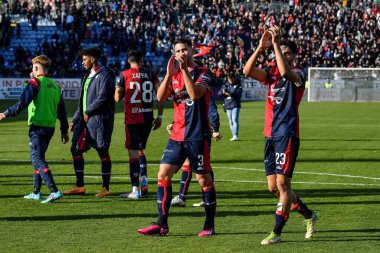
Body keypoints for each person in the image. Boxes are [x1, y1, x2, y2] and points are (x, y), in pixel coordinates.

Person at [243, 26, 319, 245]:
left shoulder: (299, 74)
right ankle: (308, 214)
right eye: (281, 52)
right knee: (274, 187)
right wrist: (260, 47)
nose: (283, 56)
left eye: (287, 53)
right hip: (269, 134)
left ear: (293, 56)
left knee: (283, 185)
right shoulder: (270, 75)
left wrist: (275, 44)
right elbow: (247, 71)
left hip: (287, 133)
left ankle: (276, 232)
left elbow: (287, 72)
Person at [137, 38, 217, 237]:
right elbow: (160, 97)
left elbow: (194, 94)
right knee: (163, 174)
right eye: (178, 51)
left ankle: (209, 225)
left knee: (203, 180)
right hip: (178, 135)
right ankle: (161, 224)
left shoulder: (203, 73)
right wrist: (168, 75)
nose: (181, 53)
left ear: (192, 51)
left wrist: (182, 71)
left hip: (198, 135)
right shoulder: (174, 75)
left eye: (184, 50)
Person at [0, 55, 69, 204]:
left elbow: (22, 103)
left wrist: (5, 113)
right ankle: (36, 192)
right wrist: (64, 130)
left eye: (33, 67)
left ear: (36, 67)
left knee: (37, 159)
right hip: (49, 128)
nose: (33, 69)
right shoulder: (55, 86)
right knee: (38, 159)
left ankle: (54, 190)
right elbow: (62, 112)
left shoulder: (35, 82)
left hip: (37, 127)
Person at [63, 47, 116, 197]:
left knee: (101, 150)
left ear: (93, 59)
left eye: (85, 59)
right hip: (84, 120)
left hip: (99, 120)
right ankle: (80, 186)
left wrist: (88, 111)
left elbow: (103, 97)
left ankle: (105, 188)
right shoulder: (87, 76)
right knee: (75, 149)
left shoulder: (105, 74)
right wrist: (75, 119)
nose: (82, 62)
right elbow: (82, 101)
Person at [114, 50, 164, 199]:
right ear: (142, 60)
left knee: (133, 152)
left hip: (132, 119)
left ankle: (135, 190)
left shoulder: (124, 74)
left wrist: (123, 91)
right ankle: (144, 182)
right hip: (148, 118)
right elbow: (161, 95)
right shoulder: (151, 73)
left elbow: (117, 98)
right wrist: (160, 116)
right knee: (140, 149)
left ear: (129, 61)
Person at [170, 91, 222, 207]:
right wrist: (174, 124)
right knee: (189, 161)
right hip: (188, 133)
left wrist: (215, 129)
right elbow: (185, 111)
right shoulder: (188, 91)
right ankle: (183, 196)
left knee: (204, 166)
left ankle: (207, 198)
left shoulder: (202, 89)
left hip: (201, 134)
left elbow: (212, 110)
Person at [218, 69, 242, 141]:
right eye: (229, 78)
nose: (230, 79)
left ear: (234, 78)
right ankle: (233, 135)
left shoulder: (238, 85)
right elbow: (219, 94)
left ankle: (235, 135)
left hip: (235, 104)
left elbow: (238, 94)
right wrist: (223, 92)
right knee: (230, 121)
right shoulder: (225, 85)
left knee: (234, 119)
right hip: (227, 104)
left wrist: (229, 93)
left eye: (232, 77)